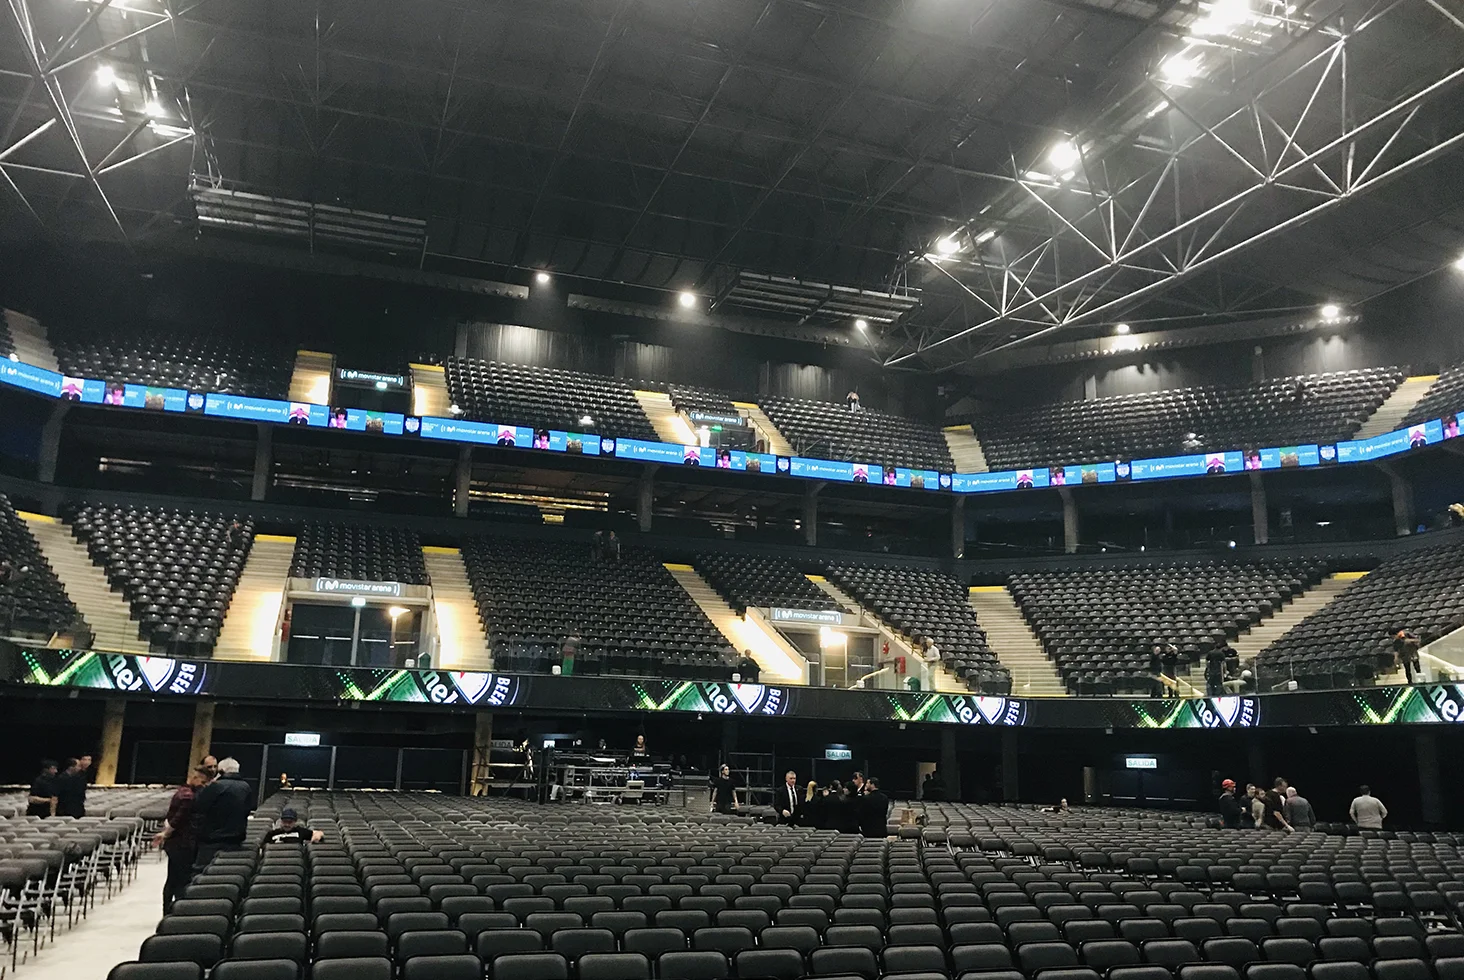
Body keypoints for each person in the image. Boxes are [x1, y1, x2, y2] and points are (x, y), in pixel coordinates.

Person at [154, 766, 208, 913]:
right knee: (181, 880)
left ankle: (167, 911)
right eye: (202, 782)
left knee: (171, 879)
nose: (203, 786)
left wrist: (166, 832)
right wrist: (166, 833)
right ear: (196, 778)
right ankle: (176, 912)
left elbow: (170, 817)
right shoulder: (188, 796)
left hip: (175, 843)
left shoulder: (181, 791)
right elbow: (178, 819)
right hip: (182, 843)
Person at [190, 757, 255, 874]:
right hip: (236, 840)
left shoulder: (216, 786)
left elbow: (198, 806)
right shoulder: (246, 787)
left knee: (202, 875)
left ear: (221, 771)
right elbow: (247, 810)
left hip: (212, 841)